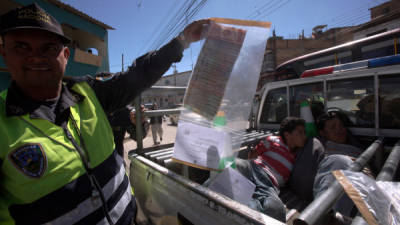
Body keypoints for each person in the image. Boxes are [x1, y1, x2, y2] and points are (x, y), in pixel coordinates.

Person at [0, 3, 210, 225]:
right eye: (22, 47)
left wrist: (182, 41)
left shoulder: (89, 92)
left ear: (65, 55)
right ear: (4, 52)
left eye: (48, 48)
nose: (35, 57)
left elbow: (139, 74)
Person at [236, 117, 307, 222]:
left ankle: (249, 203)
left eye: (304, 133)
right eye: (300, 132)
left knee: (276, 210)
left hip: (269, 184)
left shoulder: (297, 156)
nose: (304, 136)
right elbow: (252, 155)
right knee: (234, 164)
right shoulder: (273, 140)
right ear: (287, 135)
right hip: (254, 169)